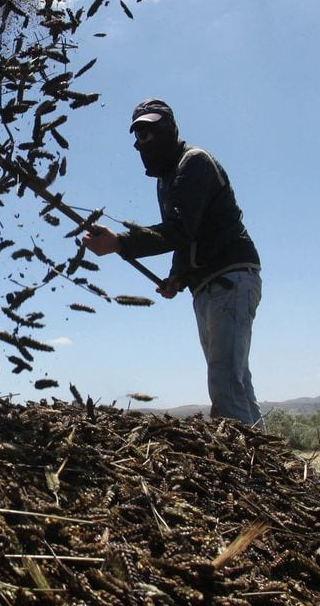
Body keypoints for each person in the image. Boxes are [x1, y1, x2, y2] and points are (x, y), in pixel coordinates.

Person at [80, 98, 264, 425]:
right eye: (137, 135)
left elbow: (179, 230)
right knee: (235, 379)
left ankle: (249, 472)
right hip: (209, 286)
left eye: (149, 132)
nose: (142, 142)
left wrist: (120, 243)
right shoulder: (166, 180)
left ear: (169, 128)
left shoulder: (194, 163)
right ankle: (267, 465)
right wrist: (177, 278)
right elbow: (187, 239)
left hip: (229, 278)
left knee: (225, 381)